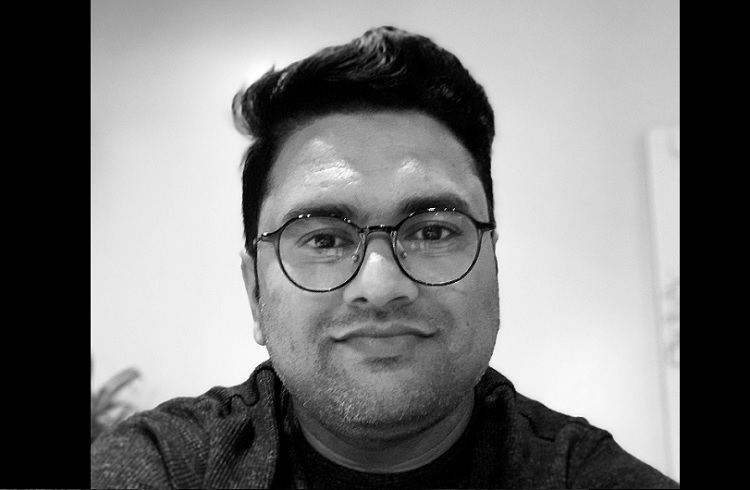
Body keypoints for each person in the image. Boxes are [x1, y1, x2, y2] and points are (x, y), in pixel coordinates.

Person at [91, 26, 679, 489]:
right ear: (255, 293)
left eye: (433, 231)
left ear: (493, 266)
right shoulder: (171, 465)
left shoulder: (585, 476)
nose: (379, 285)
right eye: (323, 239)